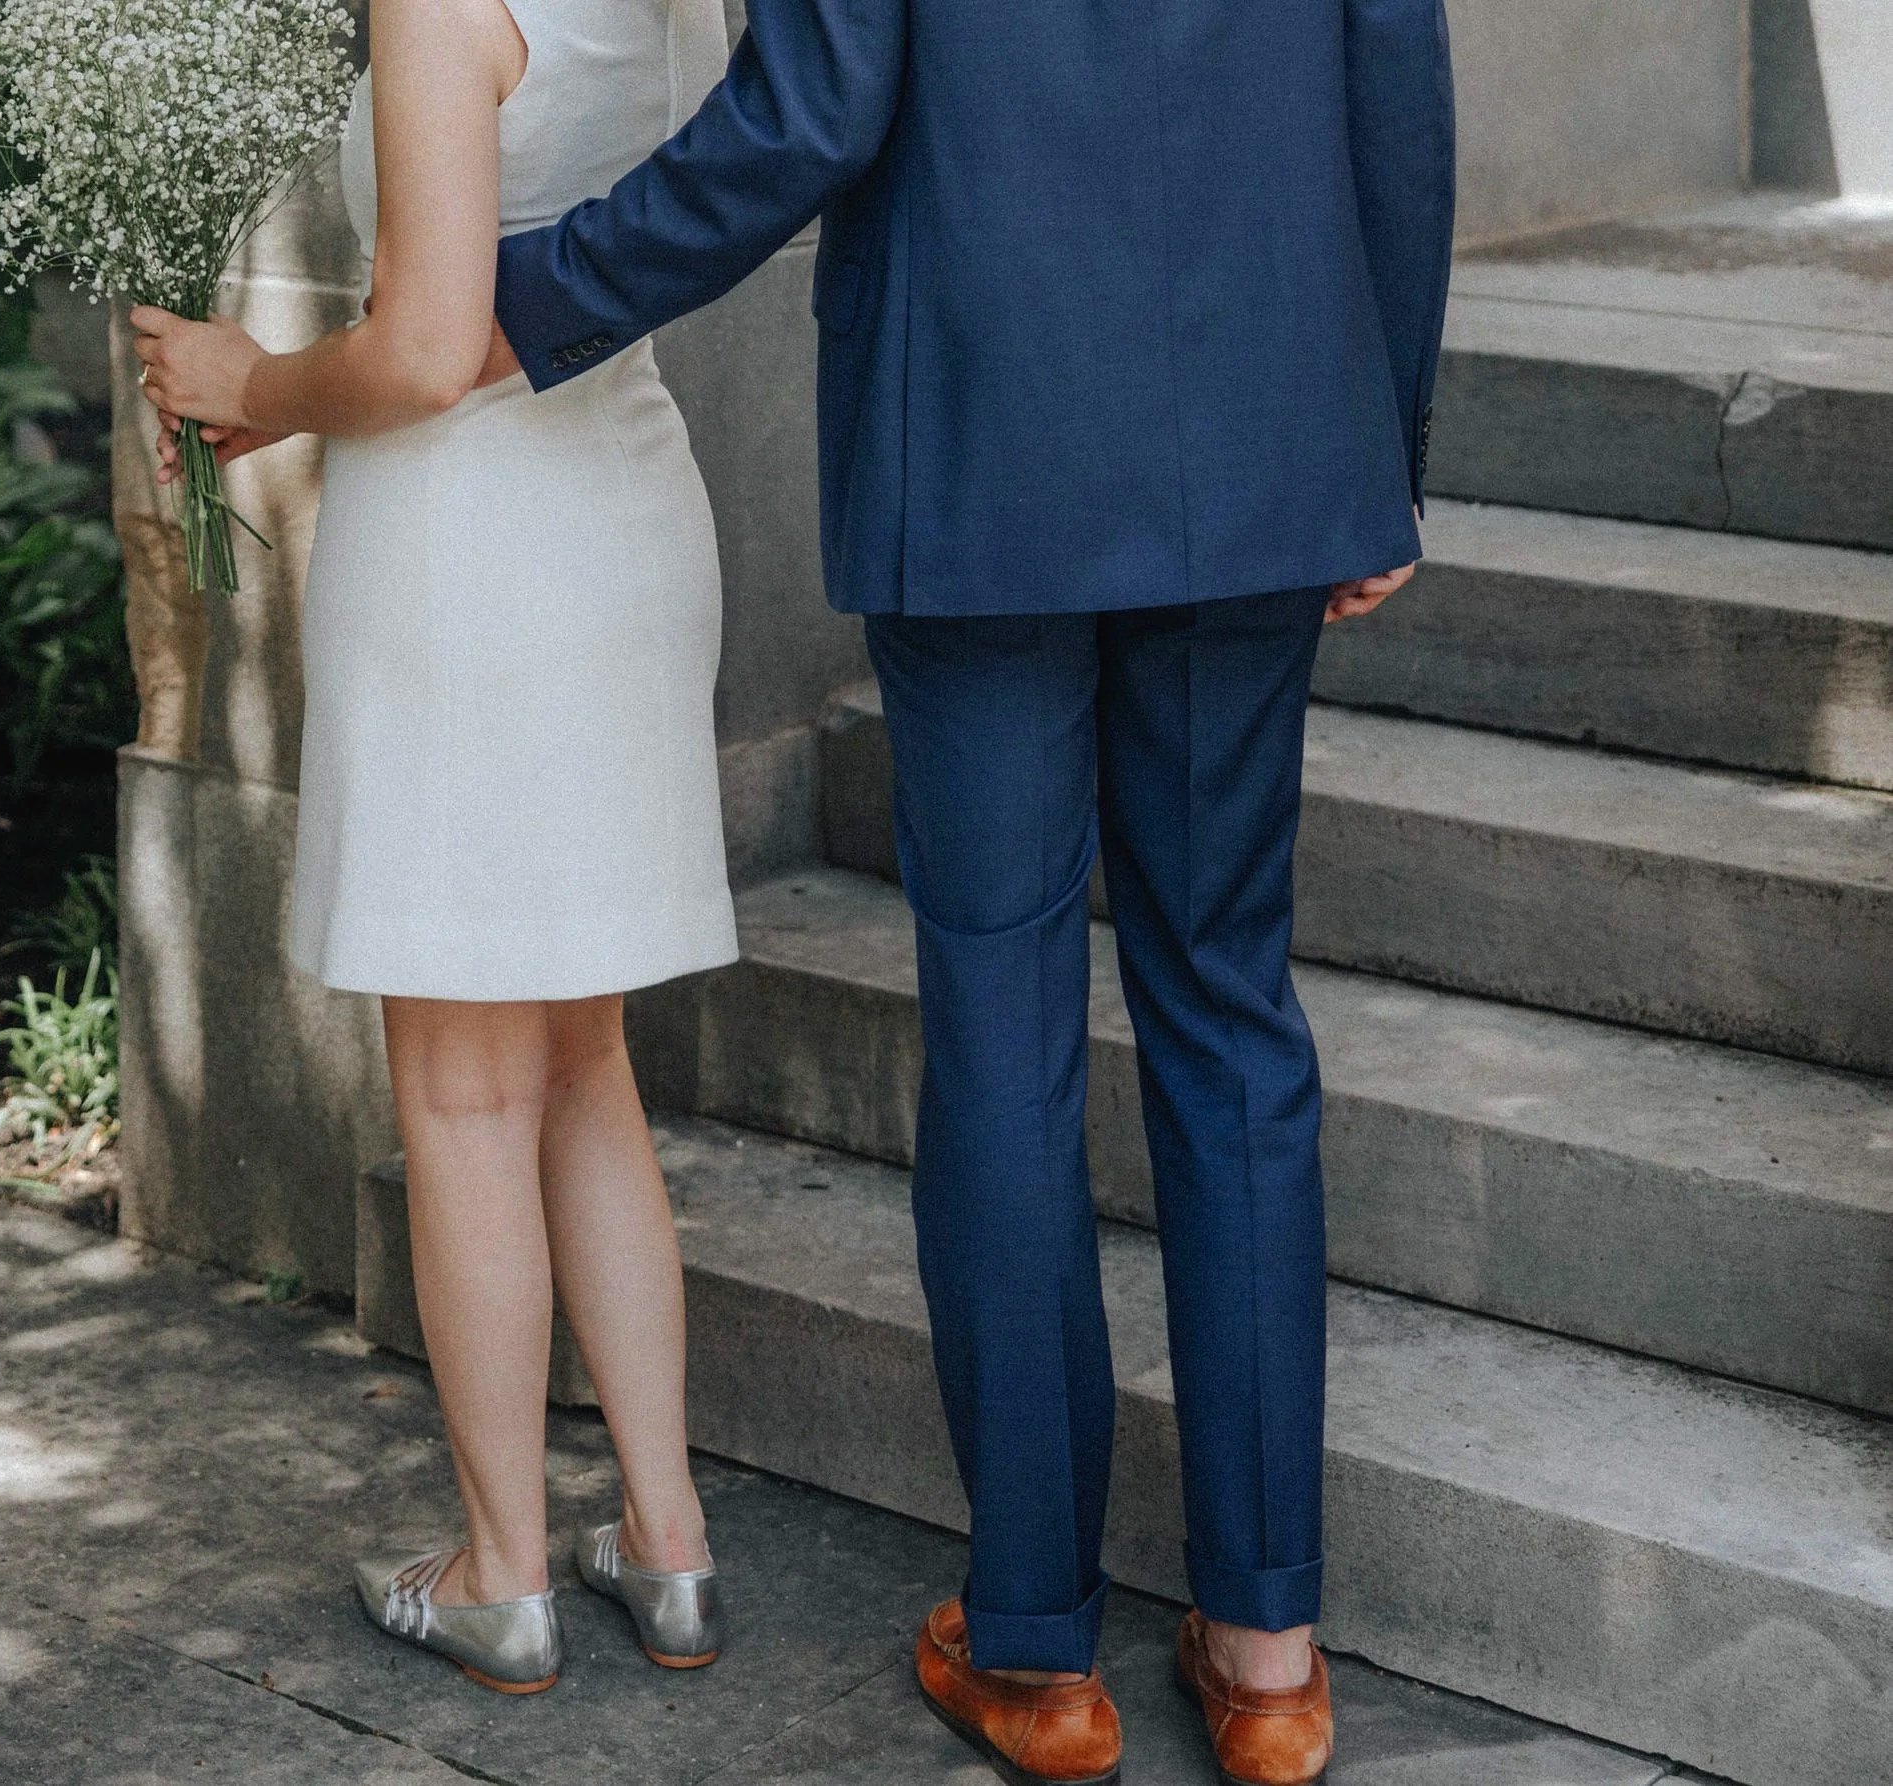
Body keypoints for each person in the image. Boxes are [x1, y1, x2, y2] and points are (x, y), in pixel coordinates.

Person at [479, 0, 1457, 1781]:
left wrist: (528, 291)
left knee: (1001, 1031)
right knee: (1231, 1009)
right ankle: (1267, 1655)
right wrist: (1379, 440)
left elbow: (808, 115)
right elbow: (1395, 76)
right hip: (1262, 423)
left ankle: (1034, 1656)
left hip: (984, 430)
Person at [127, 0, 738, 1697]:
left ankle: (503, 1572)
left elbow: (418, 346)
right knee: (584, 1062)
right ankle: (669, 1540)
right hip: (626, 511)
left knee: (466, 1089)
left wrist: (248, 379)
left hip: (475, 545)